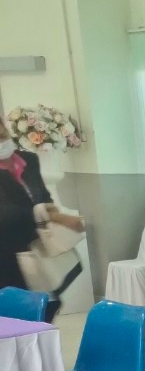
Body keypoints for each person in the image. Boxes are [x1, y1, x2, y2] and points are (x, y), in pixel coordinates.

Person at [0, 122, 85, 309]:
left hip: (36, 245)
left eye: (2, 134)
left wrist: (53, 211)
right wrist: (53, 217)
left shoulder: (29, 160)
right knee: (20, 309)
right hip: (6, 253)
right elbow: (6, 213)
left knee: (49, 304)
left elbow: (43, 196)